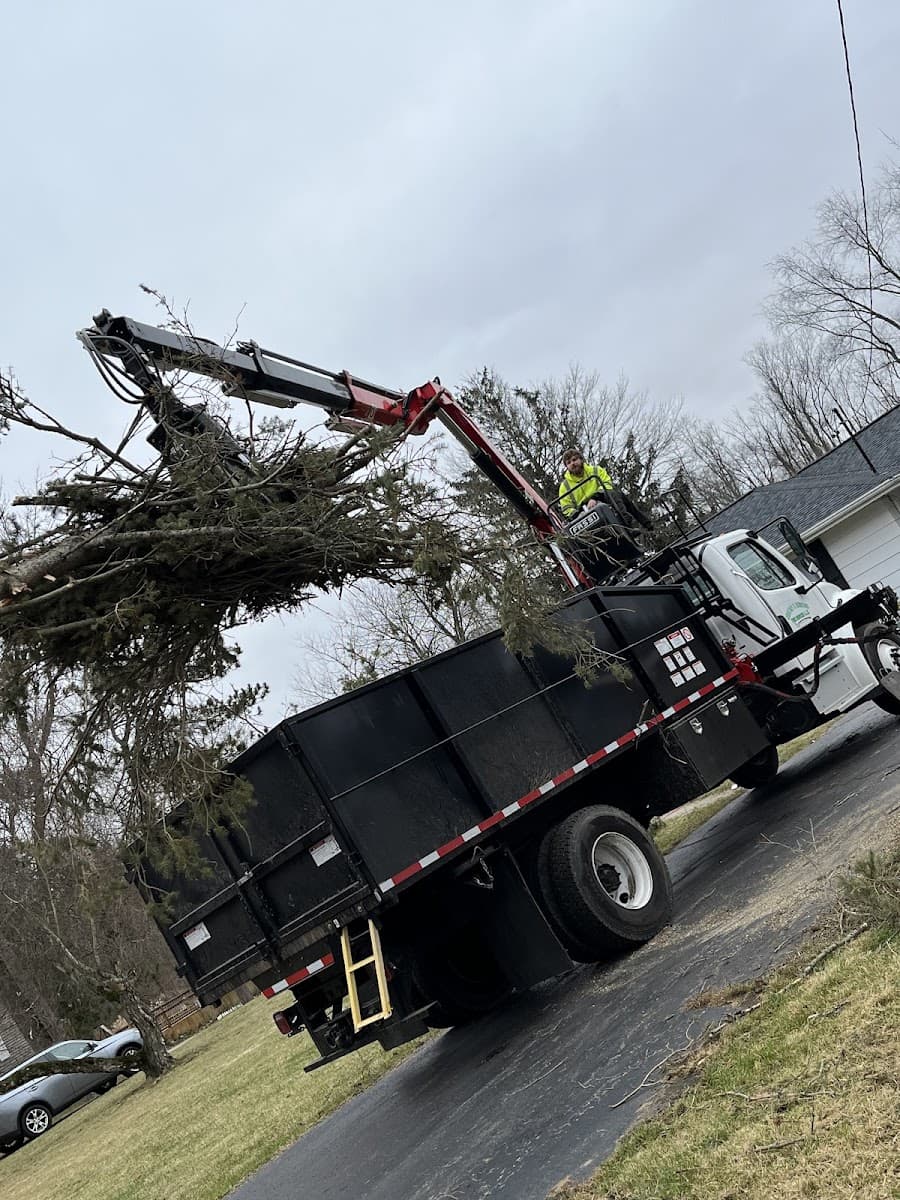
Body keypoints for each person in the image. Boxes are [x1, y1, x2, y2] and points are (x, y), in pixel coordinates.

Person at [558, 448, 614, 518]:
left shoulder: (596, 470)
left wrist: (595, 498)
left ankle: (627, 523)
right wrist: (580, 514)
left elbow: (607, 484)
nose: (572, 463)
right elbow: (566, 508)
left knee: (616, 495)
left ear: (581, 460)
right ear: (566, 467)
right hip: (582, 513)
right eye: (568, 462)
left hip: (603, 500)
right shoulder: (564, 486)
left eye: (574, 460)